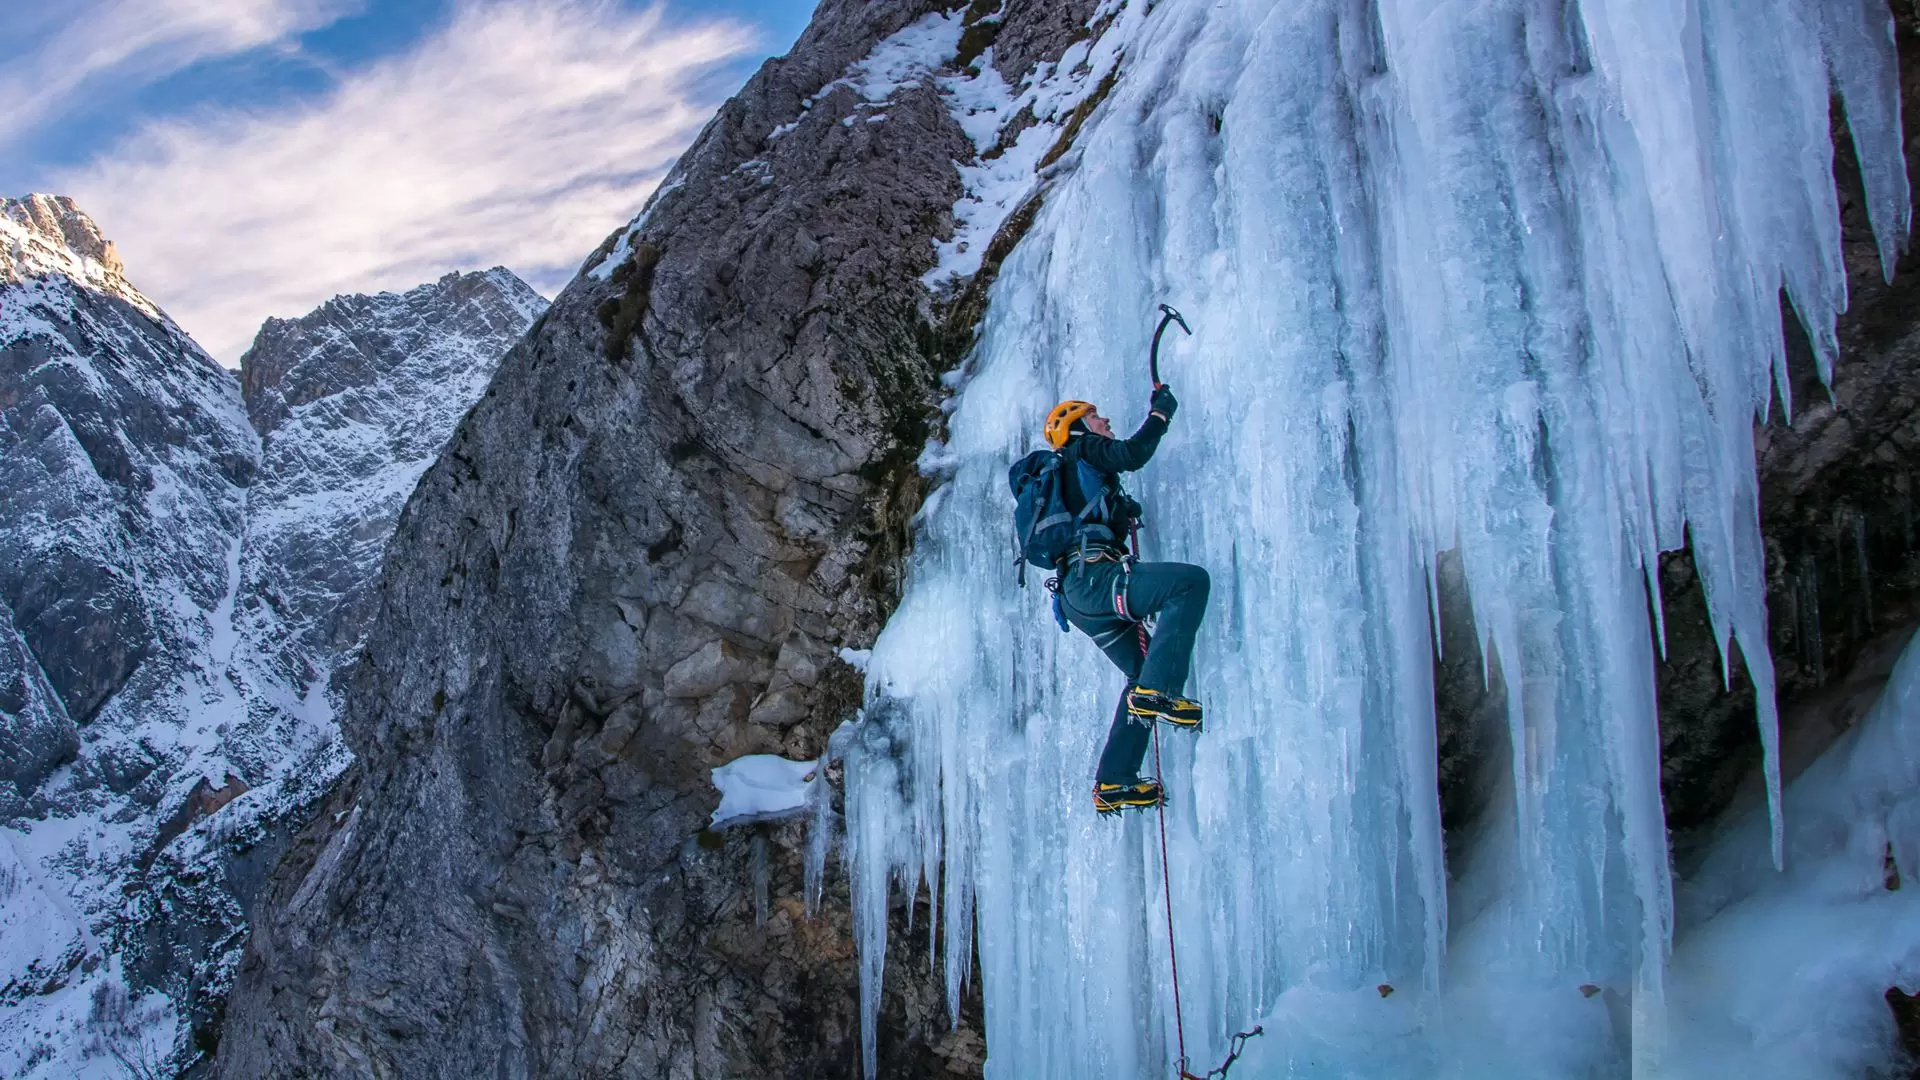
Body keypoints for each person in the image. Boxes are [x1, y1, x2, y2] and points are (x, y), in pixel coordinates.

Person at [1044, 389, 1210, 814]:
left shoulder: (1072, 479)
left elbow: (1099, 515)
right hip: (1096, 578)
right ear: (1078, 428)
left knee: (1140, 671)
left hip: (1078, 596)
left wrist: (1122, 510)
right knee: (1189, 583)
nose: (1106, 422)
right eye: (1097, 417)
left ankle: (1115, 780)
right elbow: (1134, 452)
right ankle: (1164, 689)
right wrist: (1159, 413)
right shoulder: (1083, 449)